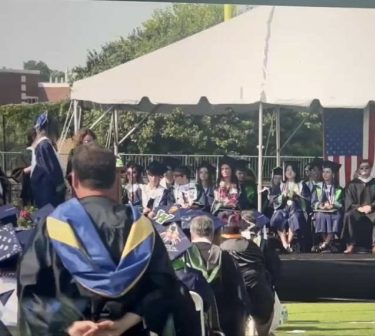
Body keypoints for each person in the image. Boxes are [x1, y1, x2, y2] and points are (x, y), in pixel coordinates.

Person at [17, 144, 200, 336]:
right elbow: (164, 287)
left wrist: (67, 328)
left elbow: (31, 292)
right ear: (116, 179)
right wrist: (124, 322)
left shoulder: (52, 227)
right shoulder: (141, 228)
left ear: (74, 180)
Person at [190, 215, 247, 336]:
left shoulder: (182, 257)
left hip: (190, 324)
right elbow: (240, 297)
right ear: (213, 232)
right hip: (224, 325)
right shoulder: (225, 257)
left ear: (191, 232)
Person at [220, 219, 275, 336]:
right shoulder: (252, 246)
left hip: (233, 297)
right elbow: (266, 266)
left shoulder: (220, 249)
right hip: (259, 290)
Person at [342, 159, 375, 254]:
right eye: (361, 168)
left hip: (372, 210)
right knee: (349, 215)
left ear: (370, 169)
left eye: (367, 167)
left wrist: (372, 206)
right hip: (357, 210)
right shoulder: (352, 184)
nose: (364, 169)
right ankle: (351, 244)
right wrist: (359, 207)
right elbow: (348, 200)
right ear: (358, 170)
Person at [27, 111, 65, 208]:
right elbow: (52, 169)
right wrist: (61, 187)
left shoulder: (43, 144)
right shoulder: (44, 145)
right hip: (48, 193)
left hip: (44, 191)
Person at [270, 161, 310, 253]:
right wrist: (283, 195)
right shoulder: (280, 185)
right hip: (283, 209)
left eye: (292, 170)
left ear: (296, 172)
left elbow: (307, 200)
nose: (289, 172)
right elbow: (273, 200)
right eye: (287, 170)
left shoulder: (301, 185)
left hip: (297, 209)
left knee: (295, 217)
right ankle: (285, 243)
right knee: (278, 217)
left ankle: (288, 242)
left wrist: (297, 196)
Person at [311, 160, 344, 253]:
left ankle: (324, 244)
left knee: (337, 216)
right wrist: (321, 206)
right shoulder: (317, 187)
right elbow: (313, 202)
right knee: (320, 216)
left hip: (334, 211)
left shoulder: (339, 189)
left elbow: (341, 202)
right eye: (324, 172)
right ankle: (328, 244)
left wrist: (333, 205)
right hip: (321, 210)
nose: (325, 174)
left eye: (328, 172)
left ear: (333, 174)